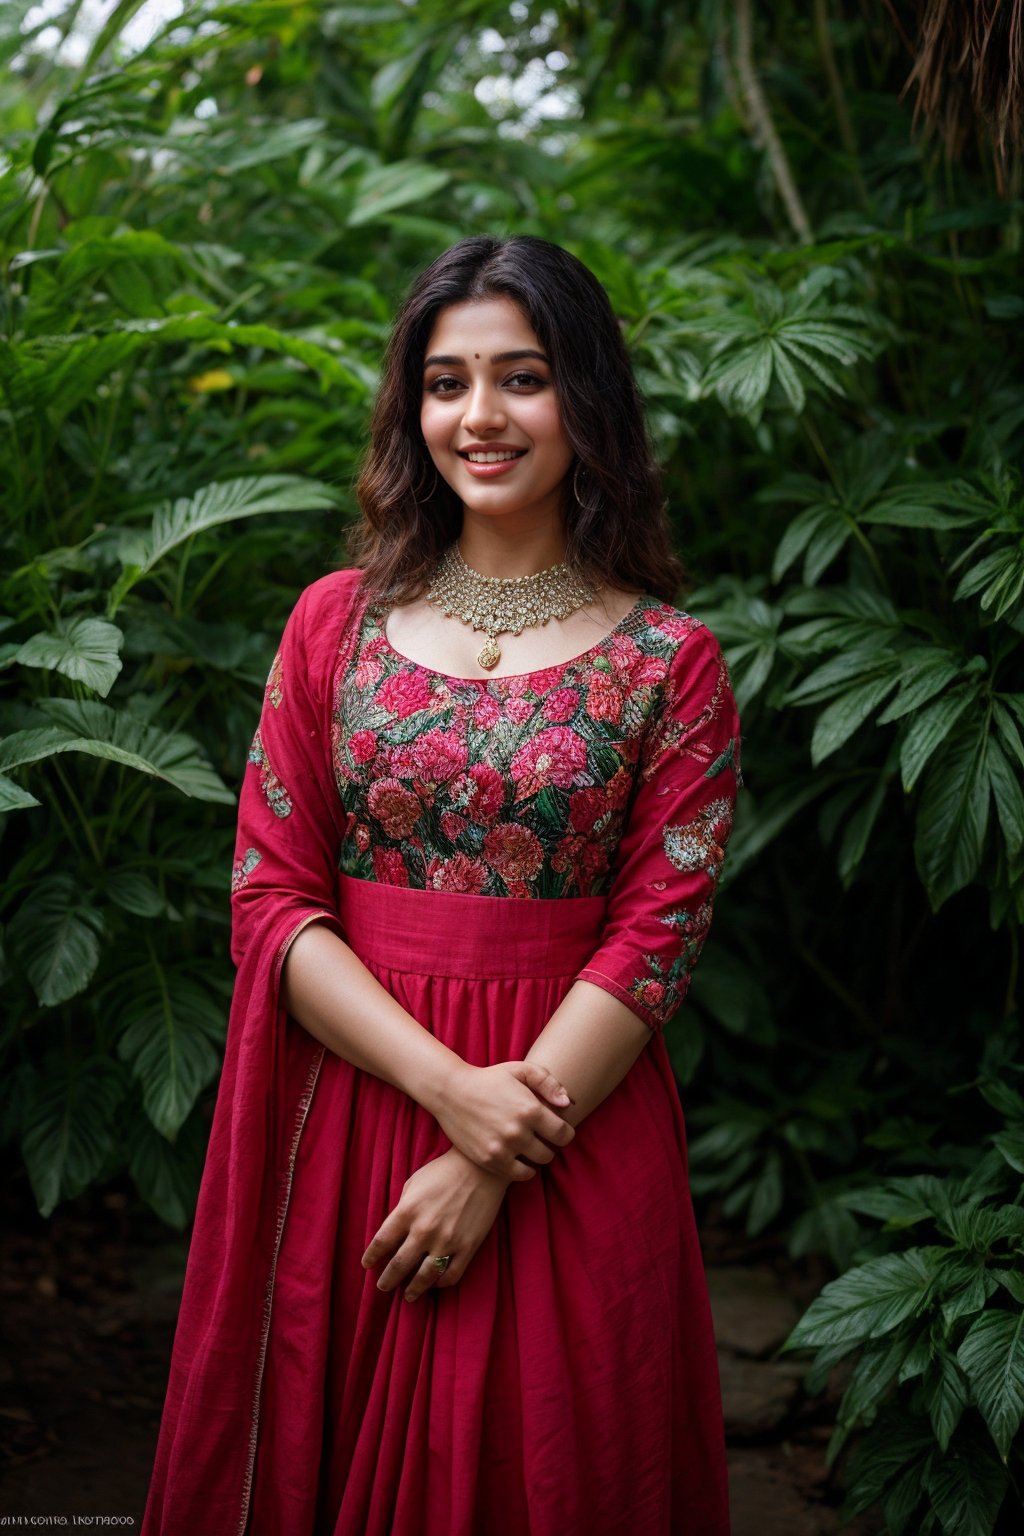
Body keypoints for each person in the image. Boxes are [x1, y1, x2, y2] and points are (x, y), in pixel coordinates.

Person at [141, 234, 742, 1536]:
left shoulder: (671, 662)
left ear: (588, 399)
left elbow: (659, 933)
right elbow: (271, 899)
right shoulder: (331, 625)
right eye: (445, 381)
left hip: (568, 1128)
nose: (480, 416)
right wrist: (449, 1094)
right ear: (412, 409)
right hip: (355, 1119)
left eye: (521, 378)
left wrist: (494, 1152)